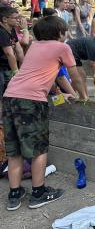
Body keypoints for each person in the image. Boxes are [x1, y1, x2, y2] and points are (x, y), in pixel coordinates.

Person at [3, 16, 87, 211]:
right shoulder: (61, 47)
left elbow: (44, 74)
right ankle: (39, 193)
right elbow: (74, 75)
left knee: (15, 150)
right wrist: (82, 96)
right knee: (38, 149)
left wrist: (59, 94)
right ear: (59, 33)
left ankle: (14, 194)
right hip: (31, 102)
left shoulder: (34, 46)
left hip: (10, 97)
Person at [67, 28, 95, 95]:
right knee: (81, 76)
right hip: (70, 51)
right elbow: (93, 64)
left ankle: (71, 96)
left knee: (77, 78)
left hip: (72, 51)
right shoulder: (93, 46)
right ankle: (85, 99)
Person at [0, 7, 25, 98]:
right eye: (15, 18)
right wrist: (16, 72)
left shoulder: (11, 29)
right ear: (5, 19)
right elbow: (9, 54)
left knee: (10, 89)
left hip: (5, 65)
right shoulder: (2, 32)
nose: (18, 20)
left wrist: (21, 70)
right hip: (1, 67)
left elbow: (19, 50)